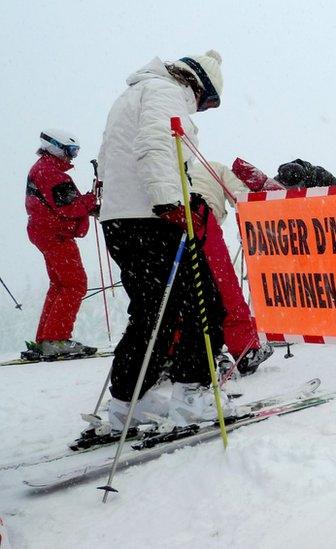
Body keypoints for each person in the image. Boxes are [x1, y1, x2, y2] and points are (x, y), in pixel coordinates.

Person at [97, 50, 232, 429]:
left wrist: (110, 199)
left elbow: (107, 157)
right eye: (207, 104)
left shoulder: (132, 94)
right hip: (152, 217)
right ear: (199, 87)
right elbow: (157, 143)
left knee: (151, 312)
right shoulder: (165, 92)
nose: (201, 111)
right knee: (203, 303)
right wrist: (167, 200)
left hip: (121, 219)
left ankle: (128, 400)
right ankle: (193, 394)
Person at [187, 160, 275, 376]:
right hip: (202, 220)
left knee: (184, 295)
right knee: (225, 289)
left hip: (166, 222)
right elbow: (241, 197)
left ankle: (176, 354)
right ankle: (245, 351)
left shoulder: (170, 166)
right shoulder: (214, 167)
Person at [25, 129, 99, 358]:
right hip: (56, 234)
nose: (72, 157)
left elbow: (65, 204)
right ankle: (56, 339)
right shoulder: (50, 172)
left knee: (60, 284)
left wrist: (88, 205)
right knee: (75, 284)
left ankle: (46, 339)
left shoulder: (45, 168)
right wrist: (91, 199)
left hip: (46, 232)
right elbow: (69, 206)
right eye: (70, 151)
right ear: (55, 147)